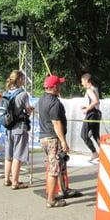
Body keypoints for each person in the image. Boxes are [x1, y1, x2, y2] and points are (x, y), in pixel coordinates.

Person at [39, 74, 70, 208]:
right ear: (55, 87)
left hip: (44, 137)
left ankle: (62, 190)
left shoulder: (41, 99)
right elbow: (56, 123)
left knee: (57, 166)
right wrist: (63, 141)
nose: (61, 87)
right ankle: (51, 199)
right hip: (53, 139)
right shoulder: (54, 103)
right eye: (60, 85)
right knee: (54, 170)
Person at [3, 70, 34, 189]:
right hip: (19, 127)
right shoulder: (23, 94)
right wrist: (31, 110)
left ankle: (7, 179)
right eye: (23, 78)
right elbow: (27, 110)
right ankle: (15, 182)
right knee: (18, 155)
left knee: (8, 155)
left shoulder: (6, 93)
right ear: (20, 79)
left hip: (8, 127)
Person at [80, 73, 101, 162]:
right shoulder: (95, 89)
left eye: (82, 81)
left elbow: (96, 101)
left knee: (83, 135)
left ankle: (94, 153)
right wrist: (87, 107)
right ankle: (104, 154)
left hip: (91, 114)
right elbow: (96, 102)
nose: (82, 83)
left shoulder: (89, 90)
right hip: (96, 113)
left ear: (86, 80)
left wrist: (87, 109)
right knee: (96, 135)